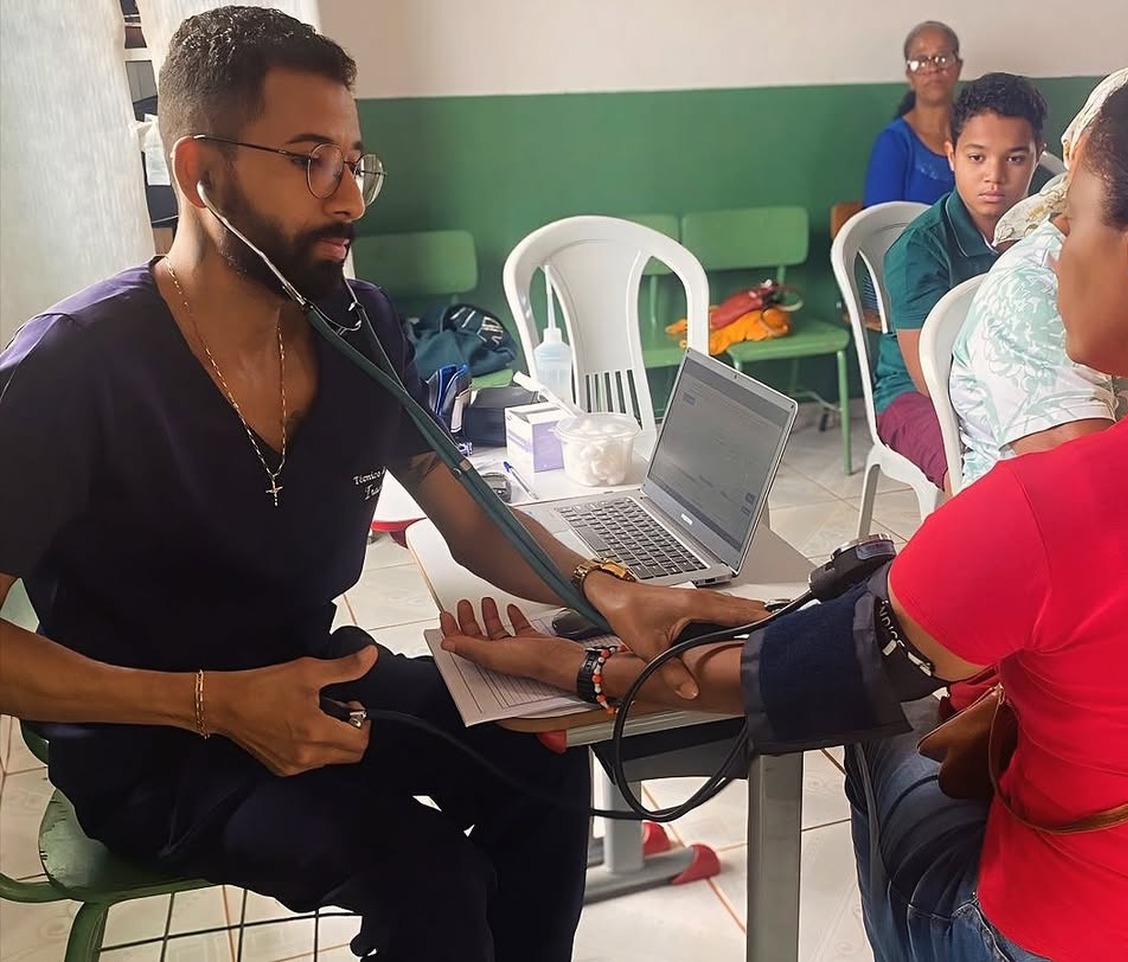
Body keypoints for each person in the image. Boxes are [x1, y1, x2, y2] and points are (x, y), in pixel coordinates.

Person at [437, 42, 1128, 960]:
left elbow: (787, 680)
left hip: (1059, 942)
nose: (1049, 255)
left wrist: (574, 667)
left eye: (1064, 221)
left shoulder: (1055, 504)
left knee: (889, 718)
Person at [0, 8, 764, 962]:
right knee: (428, 878)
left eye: (356, 165)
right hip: (157, 747)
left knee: (545, 765)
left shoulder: (354, 326)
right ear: (200, 173)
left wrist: (610, 590)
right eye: (311, 161)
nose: (349, 200)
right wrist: (211, 702)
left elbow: (464, 509)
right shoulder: (73, 369)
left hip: (320, 677)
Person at [950, 65, 1128, 489]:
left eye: (1015, 157)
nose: (994, 175)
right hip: (1052, 518)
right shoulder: (1031, 292)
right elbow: (1086, 485)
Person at [874, 73, 1047, 490]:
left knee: (1078, 451)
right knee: (971, 471)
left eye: (1015, 159)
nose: (994, 176)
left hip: (1019, 378)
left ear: (1038, 157)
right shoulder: (917, 251)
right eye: (977, 158)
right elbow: (929, 379)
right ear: (951, 155)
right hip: (916, 394)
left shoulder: (1046, 233)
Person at [863, 21, 962, 209]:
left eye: (942, 58)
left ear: (958, 66)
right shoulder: (895, 141)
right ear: (909, 75)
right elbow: (881, 220)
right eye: (921, 61)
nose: (933, 68)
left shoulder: (975, 134)